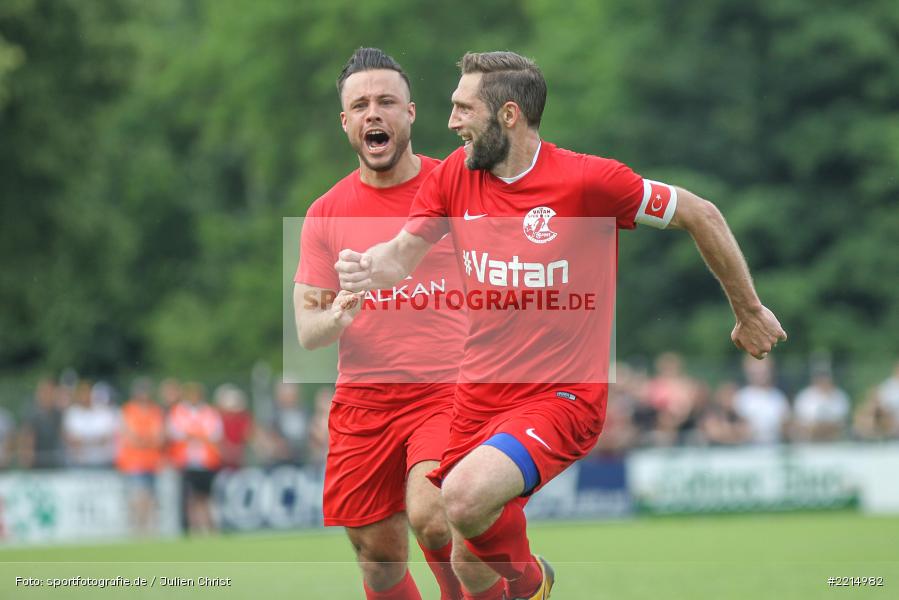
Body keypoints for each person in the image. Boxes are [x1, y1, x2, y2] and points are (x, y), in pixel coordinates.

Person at [336, 51, 787, 600]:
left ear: (507, 115)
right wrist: (367, 268)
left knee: (461, 498)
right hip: (478, 396)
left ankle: (533, 583)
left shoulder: (589, 182)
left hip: (562, 395)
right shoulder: (456, 175)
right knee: (470, 560)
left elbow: (702, 213)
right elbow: (403, 253)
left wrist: (749, 311)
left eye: (462, 108)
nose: (450, 122)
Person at [292, 48, 466, 599]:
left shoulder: (457, 184)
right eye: (361, 104)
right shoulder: (326, 212)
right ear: (345, 122)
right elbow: (307, 330)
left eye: (386, 101)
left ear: (410, 113)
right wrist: (339, 312)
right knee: (378, 558)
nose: (375, 113)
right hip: (364, 403)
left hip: (448, 389)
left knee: (433, 513)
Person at [167, 382, 222, 534]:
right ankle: (194, 529)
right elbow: (176, 433)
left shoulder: (209, 412)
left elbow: (214, 434)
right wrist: (198, 434)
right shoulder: (179, 411)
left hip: (206, 462)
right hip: (186, 462)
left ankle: (210, 529)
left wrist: (193, 434)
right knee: (191, 498)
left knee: (205, 497)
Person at [116, 377, 166, 534]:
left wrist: (143, 440)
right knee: (138, 497)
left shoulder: (155, 411)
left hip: (152, 462)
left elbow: (160, 437)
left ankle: (148, 531)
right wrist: (147, 440)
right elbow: (130, 437)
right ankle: (138, 530)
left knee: (150, 499)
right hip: (133, 462)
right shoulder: (128, 410)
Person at [734, 356, 791, 444]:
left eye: (763, 371)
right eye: (756, 371)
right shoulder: (741, 397)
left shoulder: (778, 397)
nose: (760, 375)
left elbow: (786, 427)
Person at [792, 367, 850, 442]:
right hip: (809, 439)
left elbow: (842, 423)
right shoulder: (805, 396)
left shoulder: (840, 396)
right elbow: (801, 422)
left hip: (834, 439)